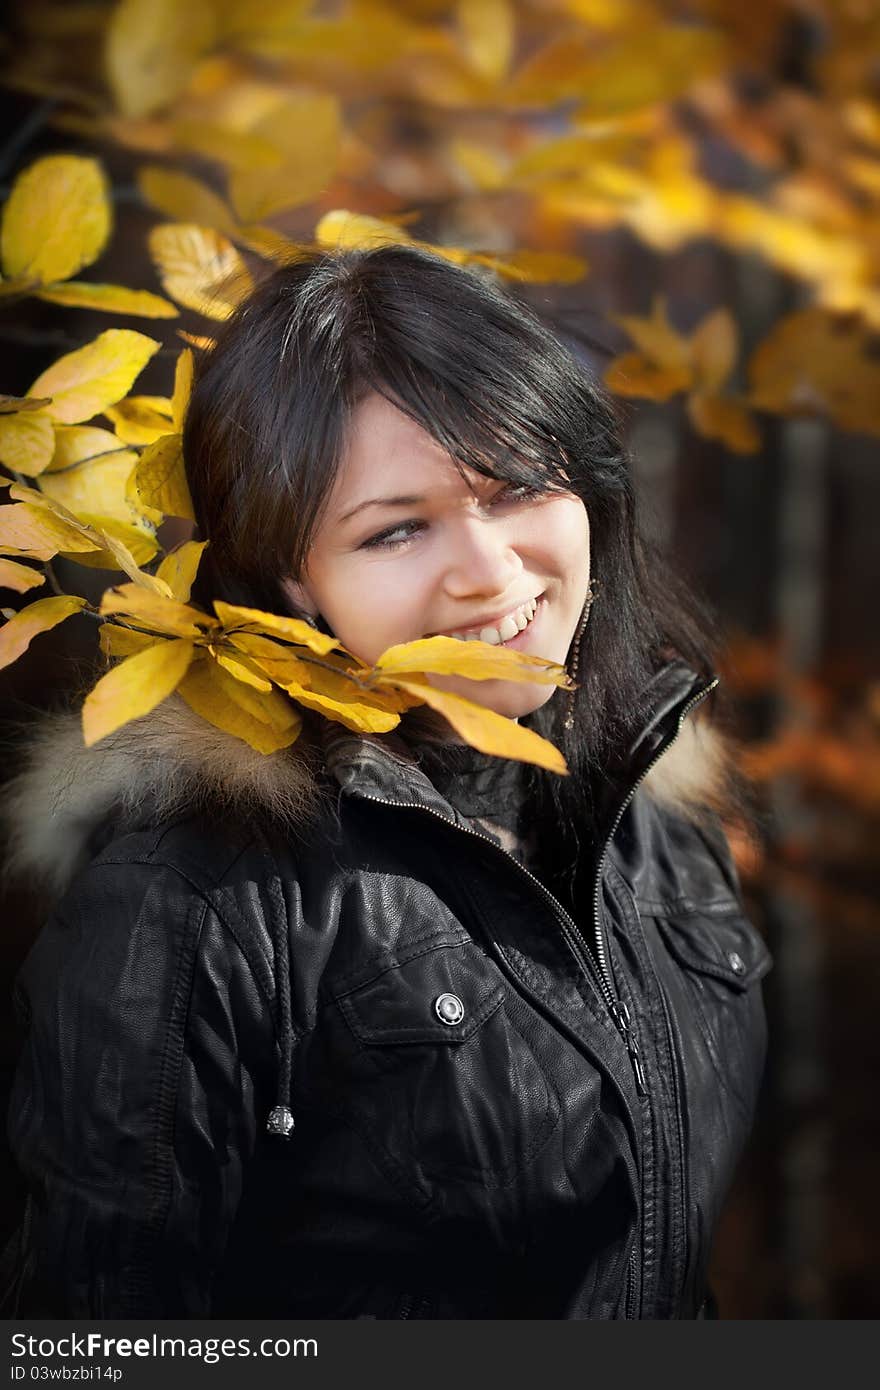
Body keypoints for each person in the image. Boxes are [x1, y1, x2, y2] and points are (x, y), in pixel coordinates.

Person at [1, 244, 770, 1319]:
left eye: (519, 488)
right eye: (397, 528)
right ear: (290, 576)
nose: (490, 571)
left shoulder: (653, 811)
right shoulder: (194, 894)